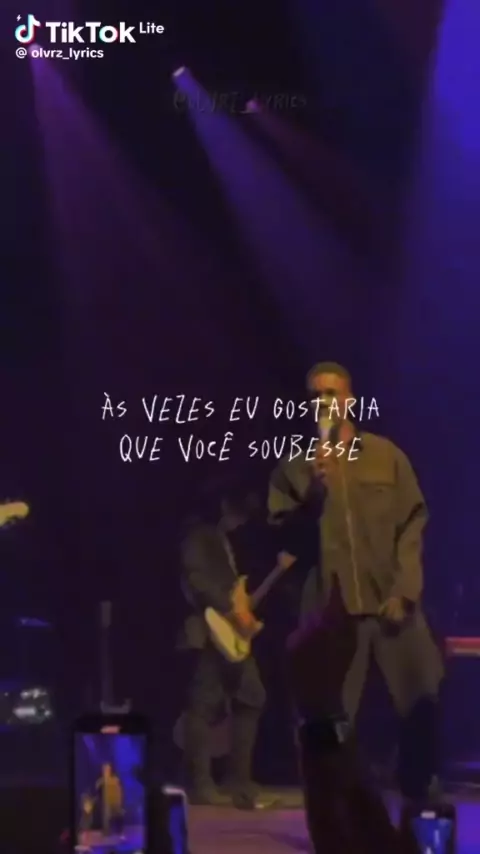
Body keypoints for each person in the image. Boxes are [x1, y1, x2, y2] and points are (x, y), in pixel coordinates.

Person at [268, 361, 444, 807]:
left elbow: (412, 521)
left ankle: (422, 800)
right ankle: (334, 810)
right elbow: (284, 538)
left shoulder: (386, 456)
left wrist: (406, 589)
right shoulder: (295, 468)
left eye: (332, 393)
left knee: (421, 697)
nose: (324, 402)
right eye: (316, 396)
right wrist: (314, 492)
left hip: (392, 602)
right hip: (332, 609)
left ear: (349, 400)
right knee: (328, 717)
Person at [179, 488, 276, 809]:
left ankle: (239, 779)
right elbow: (198, 581)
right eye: (240, 513)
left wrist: (240, 612)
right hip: (209, 630)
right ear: (224, 506)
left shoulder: (219, 539)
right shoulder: (198, 536)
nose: (242, 522)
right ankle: (200, 783)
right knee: (203, 703)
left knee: (251, 695)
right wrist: (231, 610)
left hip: (228, 632)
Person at [95, 763, 124, 837]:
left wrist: (120, 800)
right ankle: (106, 832)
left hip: (115, 801)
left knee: (118, 815)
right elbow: (97, 786)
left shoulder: (115, 778)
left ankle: (119, 831)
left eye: (107, 769)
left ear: (110, 770)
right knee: (106, 817)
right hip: (107, 801)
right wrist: (103, 780)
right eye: (104, 769)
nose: (106, 770)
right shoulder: (102, 779)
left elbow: (119, 788)